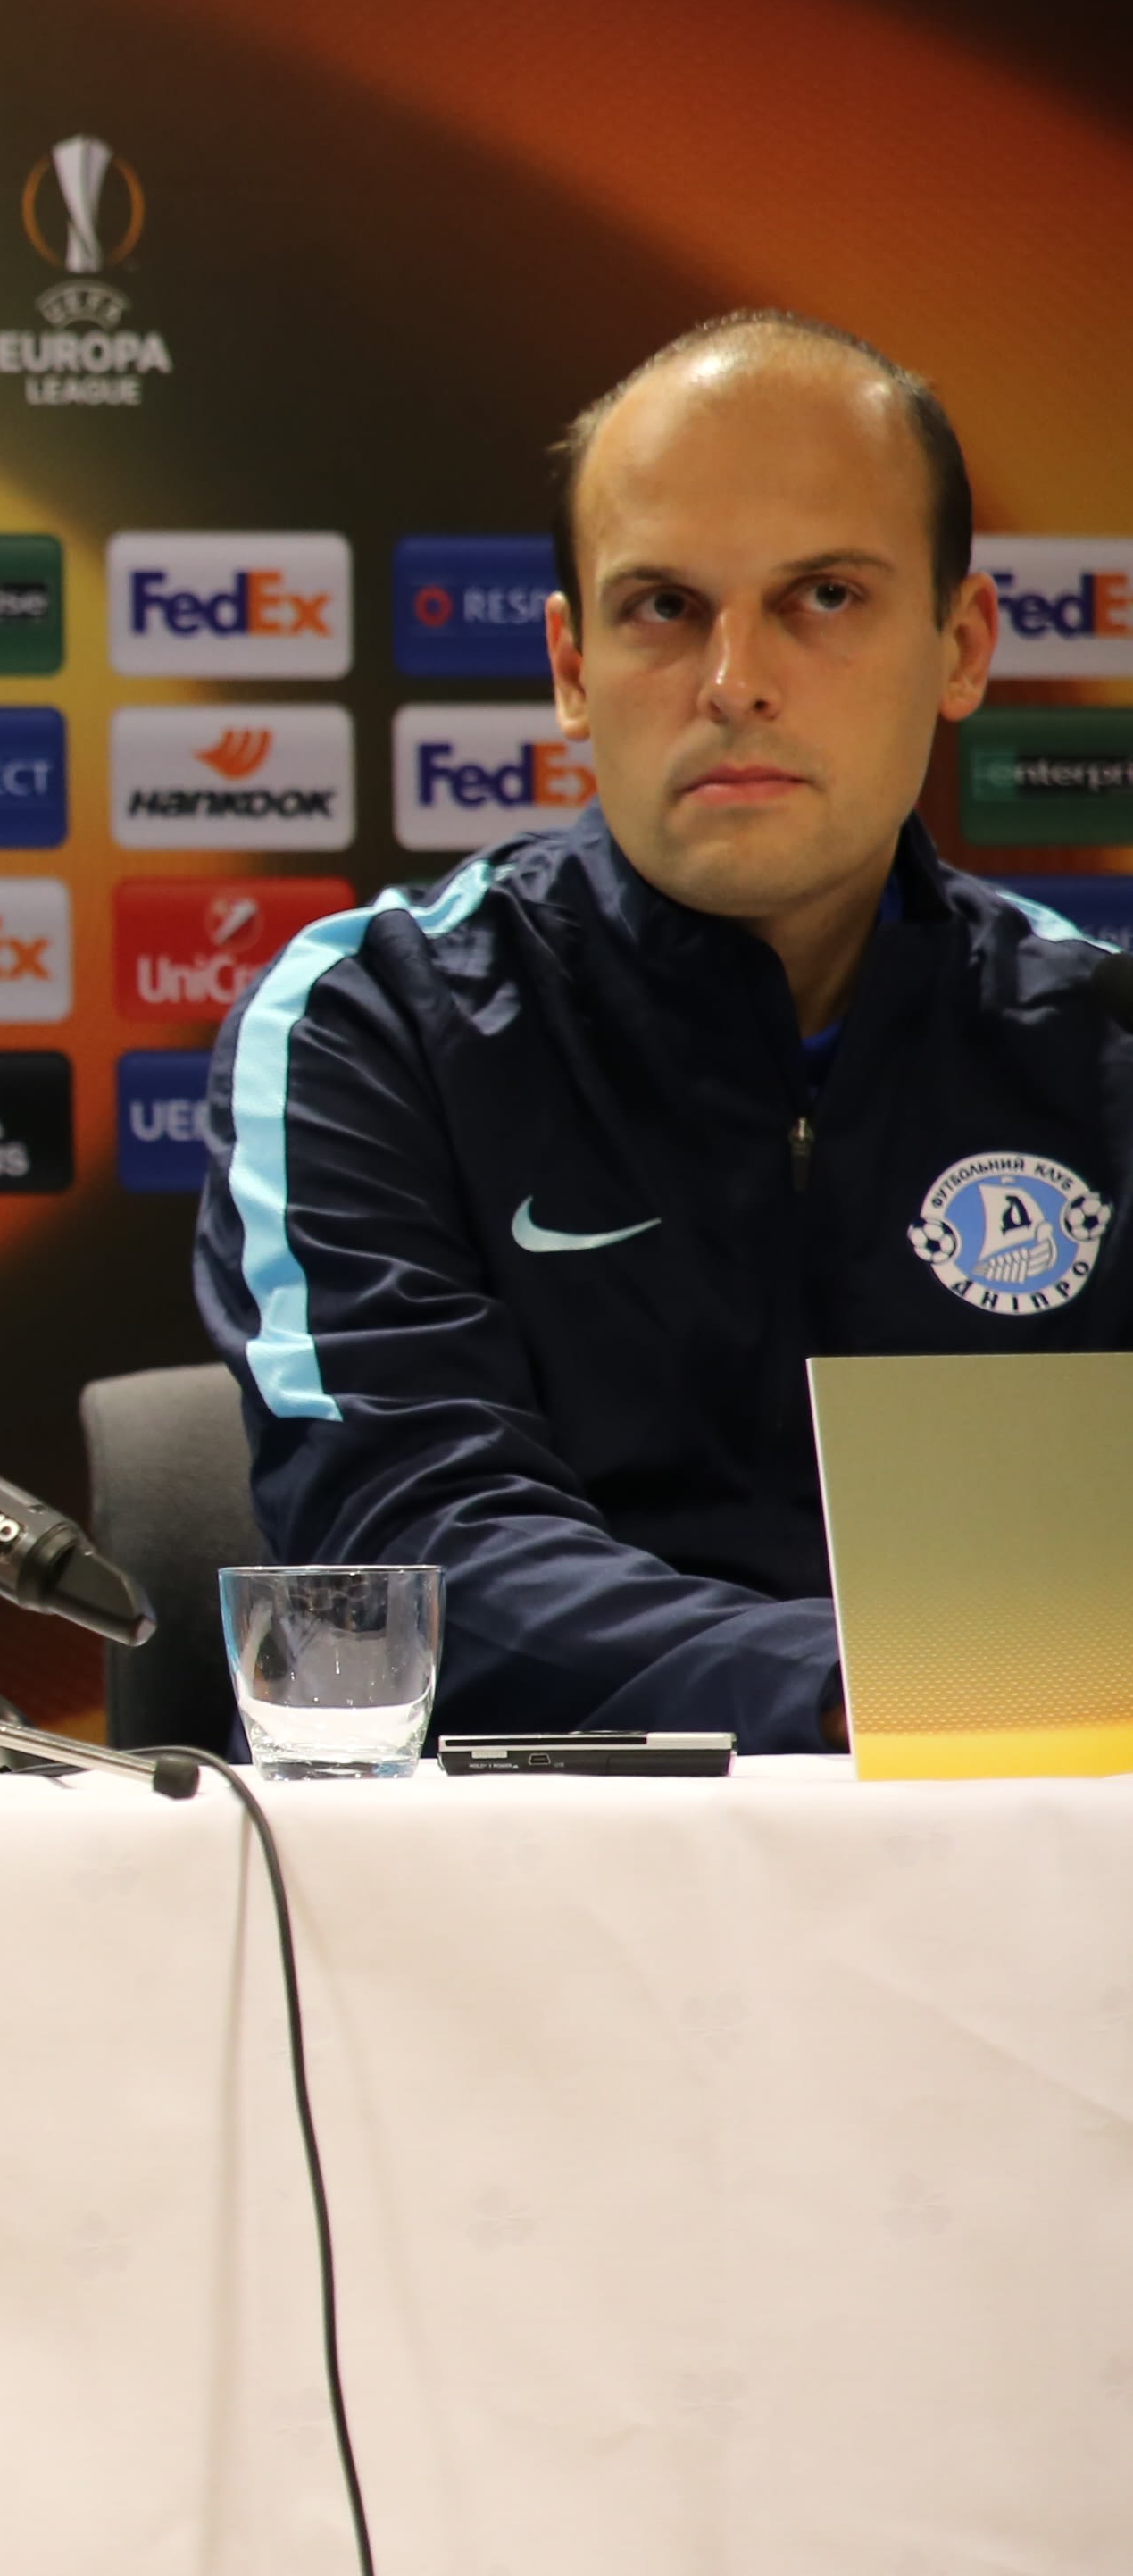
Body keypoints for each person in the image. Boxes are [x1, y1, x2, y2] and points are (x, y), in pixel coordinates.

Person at [197, 312, 1132, 1751]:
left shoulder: (1107, 1050)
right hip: (541, 1878)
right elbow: (408, 1555)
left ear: (960, 645)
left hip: (1044, 1856)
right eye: (664, 606)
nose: (734, 678)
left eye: (824, 594)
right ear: (571, 665)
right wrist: (882, 1691)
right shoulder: (370, 1024)